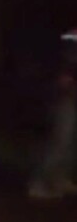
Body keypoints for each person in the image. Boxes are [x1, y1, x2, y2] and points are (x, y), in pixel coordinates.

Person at [29, 56, 77, 200]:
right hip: (67, 90)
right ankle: (40, 183)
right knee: (62, 138)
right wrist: (67, 74)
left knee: (72, 140)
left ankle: (59, 178)